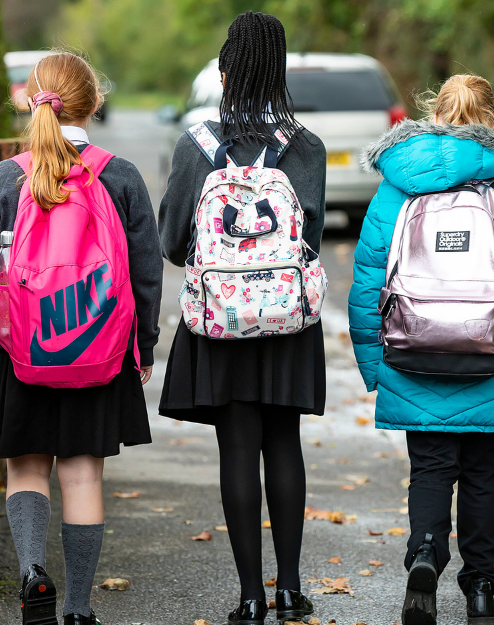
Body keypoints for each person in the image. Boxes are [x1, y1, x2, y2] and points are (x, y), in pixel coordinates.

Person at [348, 74, 494, 625]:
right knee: (480, 471)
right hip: (490, 353)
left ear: (434, 115)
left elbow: (365, 284)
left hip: (411, 350)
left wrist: (373, 365)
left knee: (429, 468)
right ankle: (479, 588)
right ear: (493, 121)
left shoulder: (396, 184)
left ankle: (425, 555)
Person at [0, 52, 162, 625]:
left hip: (21, 351)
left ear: (29, 99)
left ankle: (31, 575)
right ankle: (77, 610)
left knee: (26, 467)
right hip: (100, 350)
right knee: (81, 471)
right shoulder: (119, 175)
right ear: (94, 102)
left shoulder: (8, 176)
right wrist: (141, 345)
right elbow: (145, 272)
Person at [157, 11, 327, 625]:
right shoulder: (305, 147)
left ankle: (251, 596)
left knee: (238, 447)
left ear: (225, 73)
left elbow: (173, 243)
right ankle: (291, 591)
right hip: (287, 319)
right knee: (285, 442)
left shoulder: (196, 145)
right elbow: (309, 236)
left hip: (221, 319)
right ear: (278, 74)